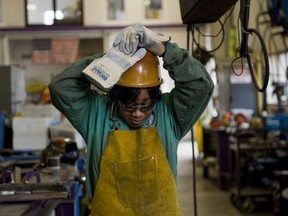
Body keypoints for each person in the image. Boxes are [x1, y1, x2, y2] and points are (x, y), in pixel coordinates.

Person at [49, 23, 214, 215]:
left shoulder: (169, 115)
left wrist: (165, 50)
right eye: (128, 105)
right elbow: (60, 87)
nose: (137, 113)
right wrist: (107, 62)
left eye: (145, 105)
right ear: (114, 96)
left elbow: (201, 85)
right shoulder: (96, 114)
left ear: (157, 96)